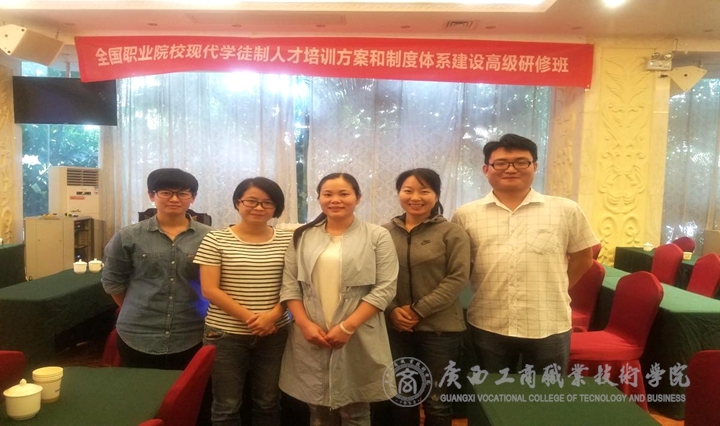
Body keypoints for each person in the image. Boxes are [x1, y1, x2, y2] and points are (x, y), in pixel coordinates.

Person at [451, 134, 599, 374]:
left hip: (548, 322)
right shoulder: (465, 215)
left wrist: (555, 288)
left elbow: (584, 259)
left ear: (535, 166)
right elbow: (461, 266)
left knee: (546, 393)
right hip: (489, 322)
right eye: (501, 163)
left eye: (521, 162)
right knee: (493, 393)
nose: (511, 169)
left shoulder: (565, 210)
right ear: (486, 169)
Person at [279, 172, 399, 426]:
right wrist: (305, 325)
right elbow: (290, 286)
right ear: (319, 198)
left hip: (358, 330)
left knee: (356, 410)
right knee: (318, 409)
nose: (335, 200)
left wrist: (347, 327)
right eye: (328, 194)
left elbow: (385, 288)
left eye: (344, 194)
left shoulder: (377, 235)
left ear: (358, 198)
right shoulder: (302, 235)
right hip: (311, 330)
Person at [375, 168, 471, 426]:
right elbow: (376, 278)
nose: (415, 197)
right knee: (402, 397)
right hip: (396, 328)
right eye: (408, 190)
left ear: (436, 195)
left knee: (437, 402)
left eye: (424, 191)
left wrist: (418, 310)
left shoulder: (452, 233)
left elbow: (458, 278)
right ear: (399, 194)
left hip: (441, 330)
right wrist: (392, 310)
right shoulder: (383, 233)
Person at [193, 177, 292, 426]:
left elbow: (294, 287)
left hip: (275, 332)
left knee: (269, 401)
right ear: (238, 202)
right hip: (225, 334)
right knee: (226, 405)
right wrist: (253, 319)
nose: (259, 207)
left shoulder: (288, 241)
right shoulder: (215, 239)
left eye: (267, 202)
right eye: (251, 201)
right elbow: (209, 290)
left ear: (276, 207)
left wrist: (272, 317)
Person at [102, 168, 212, 369]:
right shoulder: (128, 236)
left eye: (182, 193)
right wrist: (138, 307)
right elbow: (113, 282)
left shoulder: (210, 237)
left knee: (188, 387)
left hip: (190, 331)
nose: (174, 199)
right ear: (152, 195)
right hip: (138, 332)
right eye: (166, 192)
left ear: (193, 198)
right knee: (139, 387)